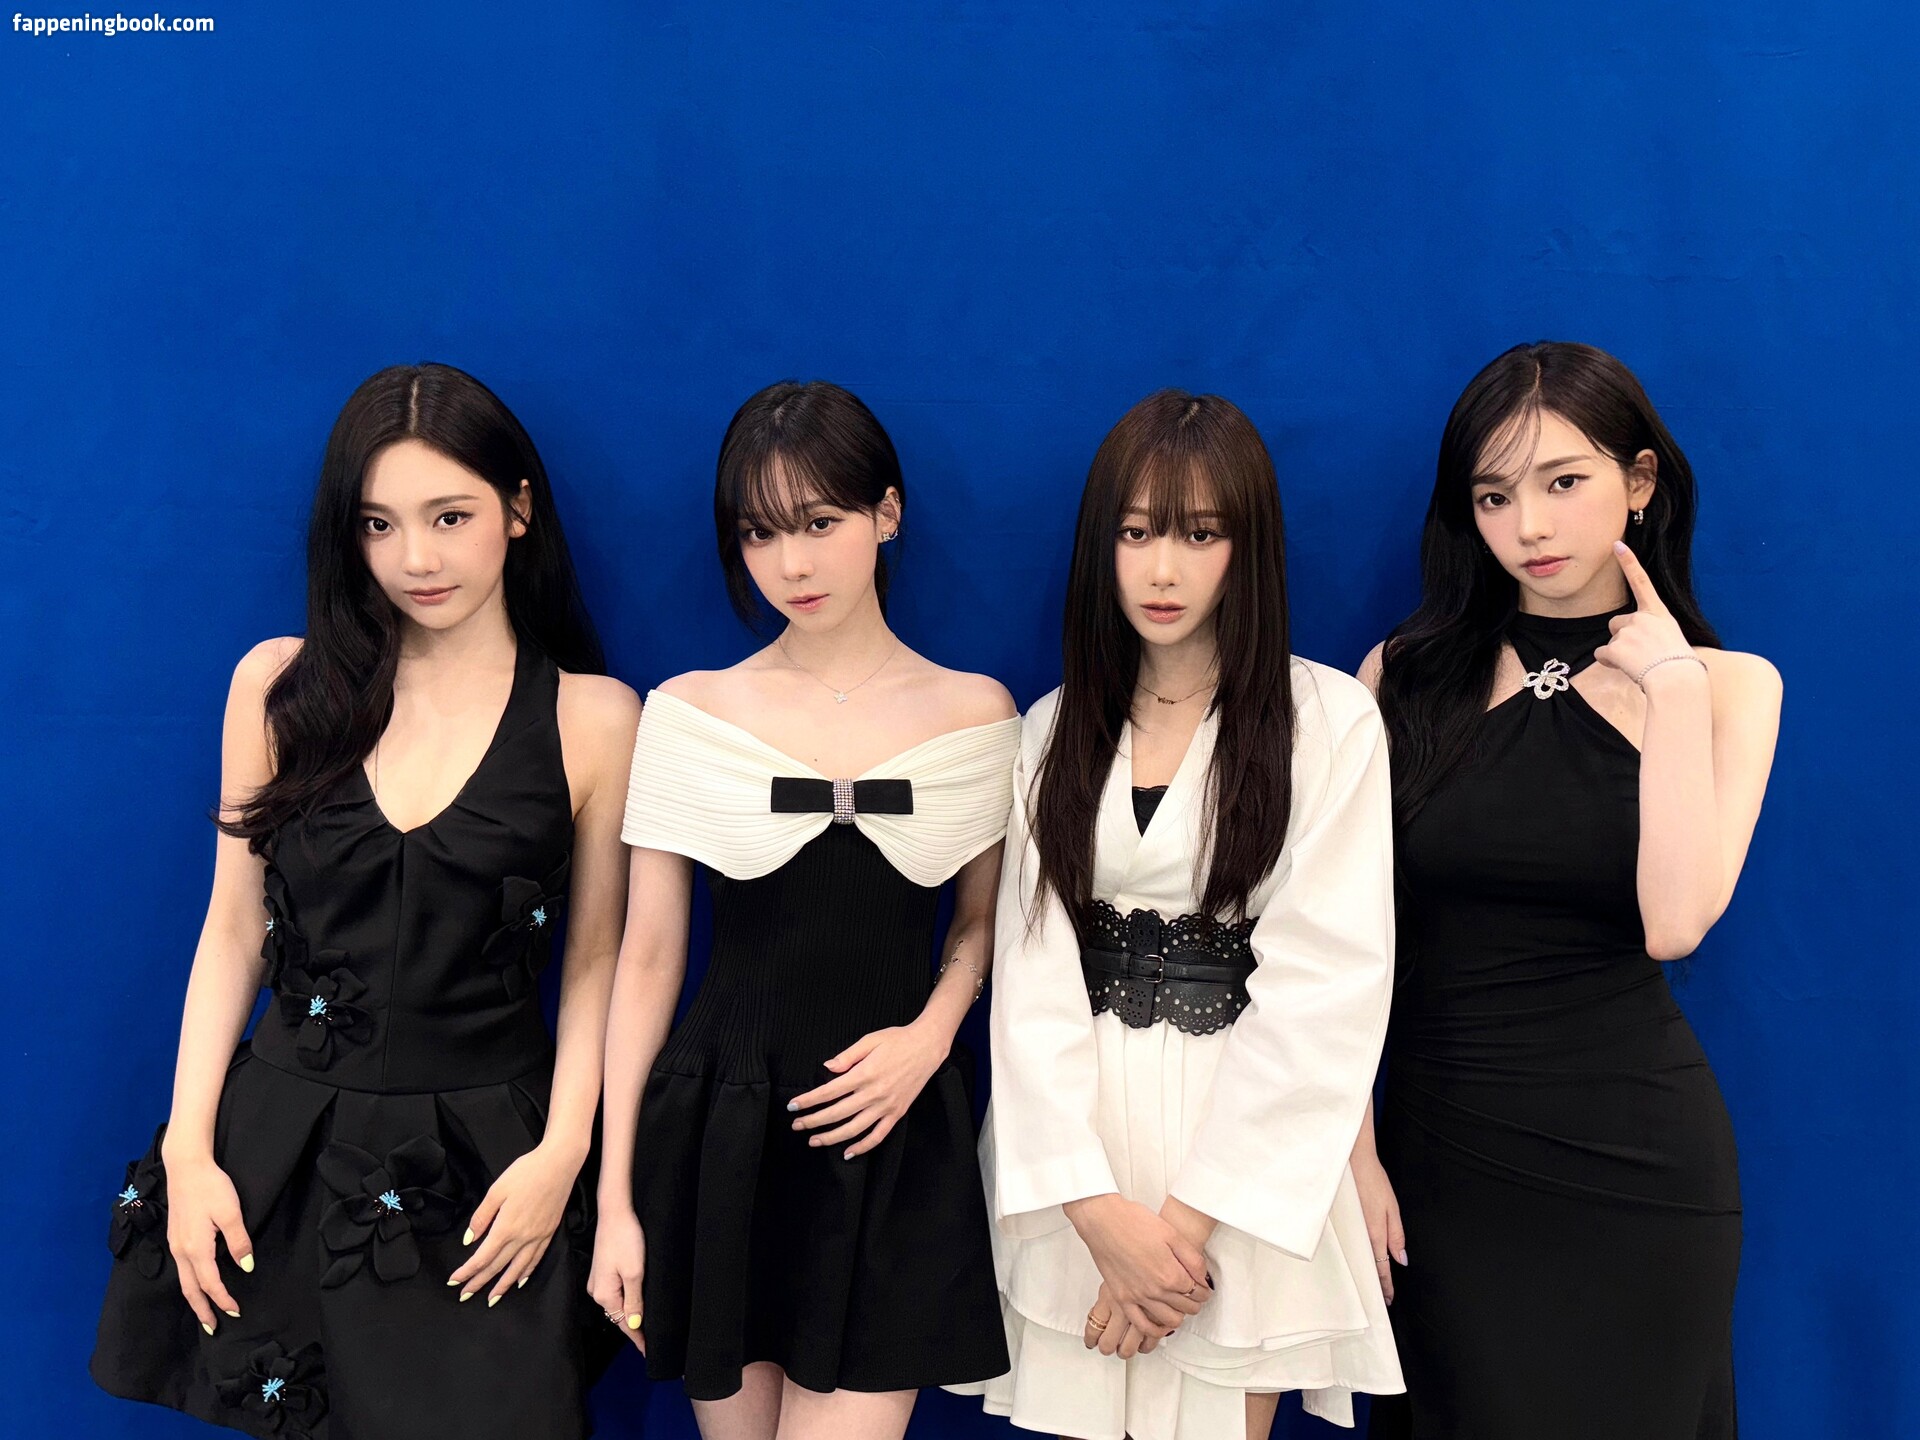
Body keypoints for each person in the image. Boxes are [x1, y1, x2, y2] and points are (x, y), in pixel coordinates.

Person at [91, 363, 638, 1439]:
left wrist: (565, 1149)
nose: (415, 558)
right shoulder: (278, 688)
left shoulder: (596, 717)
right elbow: (233, 932)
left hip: (492, 1163)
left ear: (518, 508)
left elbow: (595, 961)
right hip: (284, 1144)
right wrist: (190, 1151)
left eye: (449, 515)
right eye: (379, 524)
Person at [953, 390, 1404, 1439]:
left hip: (1242, 1151)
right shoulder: (1053, 727)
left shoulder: (1327, 720)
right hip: (1078, 1155)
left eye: (1199, 535)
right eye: (1136, 533)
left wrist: (1179, 1234)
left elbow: (1326, 986)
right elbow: (1031, 974)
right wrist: (1095, 1213)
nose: (1163, 570)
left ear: (1248, 547)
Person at [1354, 341, 1782, 1440]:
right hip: (1442, 1160)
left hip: (1639, 1166)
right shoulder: (1401, 676)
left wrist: (1670, 684)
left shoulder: (1730, 688)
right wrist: (1351, 1152)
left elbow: (1676, 922)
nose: (1529, 527)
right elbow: (1341, 949)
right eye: (1494, 496)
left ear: (1639, 482)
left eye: (1563, 482)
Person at [590, 380, 1017, 1440]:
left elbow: (981, 925)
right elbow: (648, 960)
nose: (792, 564)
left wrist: (931, 1035)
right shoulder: (689, 712)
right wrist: (615, 1201)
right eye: (762, 533)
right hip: (721, 1130)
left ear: (887, 513)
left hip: (888, 1124)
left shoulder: (977, 712)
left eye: (820, 523)